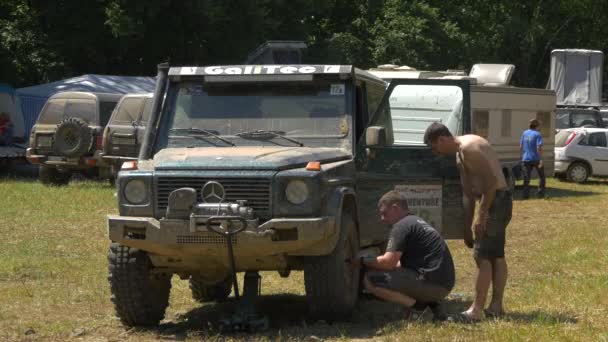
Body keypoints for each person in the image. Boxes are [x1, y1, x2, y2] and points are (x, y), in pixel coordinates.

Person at [423, 122, 512, 322]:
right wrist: (466, 227)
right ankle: (496, 306)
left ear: (442, 139)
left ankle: (476, 310)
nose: (435, 152)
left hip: (496, 200)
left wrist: (481, 216)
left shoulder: (470, 148)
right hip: (494, 200)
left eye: (434, 147)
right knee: (495, 255)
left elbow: (490, 185)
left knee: (483, 256)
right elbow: (468, 194)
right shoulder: (459, 156)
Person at [358, 190, 455, 321]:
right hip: (443, 284)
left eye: (384, 213)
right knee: (393, 272)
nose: (382, 219)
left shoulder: (401, 226)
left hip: (432, 284)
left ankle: (419, 308)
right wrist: (378, 264)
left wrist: (362, 261)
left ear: (395, 208)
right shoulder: (415, 221)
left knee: (370, 279)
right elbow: (399, 265)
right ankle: (433, 304)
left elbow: (388, 262)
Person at [520, 119, 545, 199]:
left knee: (526, 178)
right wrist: (541, 159)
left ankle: (525, 196)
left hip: (526, 159)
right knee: (541, 177)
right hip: (536, 159)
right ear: (537, 126)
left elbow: (521, 147)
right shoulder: (538, 134)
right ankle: (540, 194)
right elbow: (539, 147)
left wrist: (522, 157)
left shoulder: (524, 133)